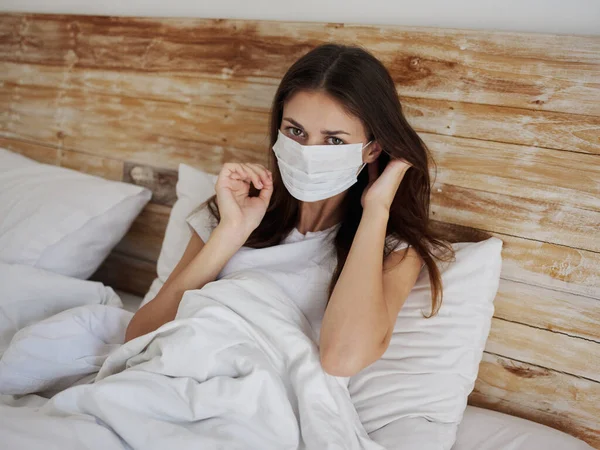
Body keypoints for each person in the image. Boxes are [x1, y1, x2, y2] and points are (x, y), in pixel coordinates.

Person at [125, 43, 453, 377]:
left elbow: (341, 359)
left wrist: (377, 208)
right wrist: (230, 233)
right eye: (295, 131)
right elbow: (139, 336)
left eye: (334, 140)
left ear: (372, 150)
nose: (308, 152)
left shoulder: (393, 249)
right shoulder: (232, 210)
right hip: (170, 373)